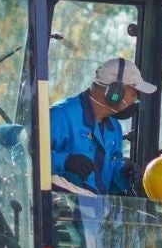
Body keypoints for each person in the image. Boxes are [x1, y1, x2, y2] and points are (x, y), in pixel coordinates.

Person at [49, 57, 156, 195]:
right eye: (134, 93)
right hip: (59, 210)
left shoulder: (114, 129)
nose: (136, 100)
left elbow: (107, 183)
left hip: (96, 211)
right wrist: (64, 161)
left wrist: (123, 173)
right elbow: (25, 158)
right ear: (115, 92)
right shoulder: (61, 115)